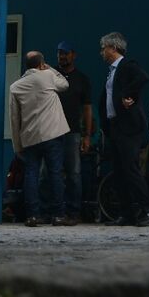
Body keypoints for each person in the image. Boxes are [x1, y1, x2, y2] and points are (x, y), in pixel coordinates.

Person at [98, 32, 149, 227]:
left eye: (104, 48)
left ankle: (148, 209)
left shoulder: (127, 66)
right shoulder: (112, 71)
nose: (102, 52)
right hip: (115, 127)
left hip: (128, 127)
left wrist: (128, 94)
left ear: (113, 48)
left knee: (130, 168)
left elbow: (143, 78)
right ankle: (126, 212)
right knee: (118, 171)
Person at [9, 51, 71, 227]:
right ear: (41, 64)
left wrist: (17, 145)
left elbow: (14, 118)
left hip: (30, 138)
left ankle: (33, 216)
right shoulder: (48, 76)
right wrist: (49, 67)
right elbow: (65, 84)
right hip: (52, 134)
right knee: (55, 174)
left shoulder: (15, 87)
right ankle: (59, 215)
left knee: (31, 176)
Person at [56, 41, 93, 224]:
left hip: (73, 133)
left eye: (65, 53)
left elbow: (87, 108)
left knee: (74, 174)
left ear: (73, 55)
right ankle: (51, 212)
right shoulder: (51, 76)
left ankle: (73, 213)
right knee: (47, 174)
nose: (62, 56)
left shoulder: (82, 79)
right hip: (51, 132)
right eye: (59, 53)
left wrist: (87, 135)